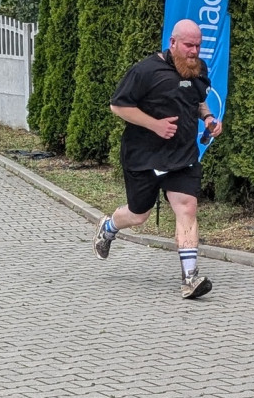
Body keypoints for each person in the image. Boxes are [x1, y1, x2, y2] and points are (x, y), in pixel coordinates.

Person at [93, 19, 222, 299]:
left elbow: (198, 99)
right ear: (173, 42)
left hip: (182, 156)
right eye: (189, 45)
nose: (194, 51)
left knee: (187, 207)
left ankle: (190, 279)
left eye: (198, 46)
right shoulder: (146, 70)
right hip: (144, 156)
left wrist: (209, 118)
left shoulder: (197, 69)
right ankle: (109, 226)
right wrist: (154, 124)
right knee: (139, 215)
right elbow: (118, 105)